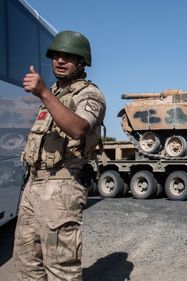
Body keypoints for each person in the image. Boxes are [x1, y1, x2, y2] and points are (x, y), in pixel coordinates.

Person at [14, 30, 106, 280]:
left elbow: (78, 129)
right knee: (26, 262)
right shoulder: (56, 94)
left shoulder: (89, 94)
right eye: (56, 56)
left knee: (60, 267)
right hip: (34, 185)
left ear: (82, 62)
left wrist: (44, 93)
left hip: (62, 186)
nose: (60, 61)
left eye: (68, 57)